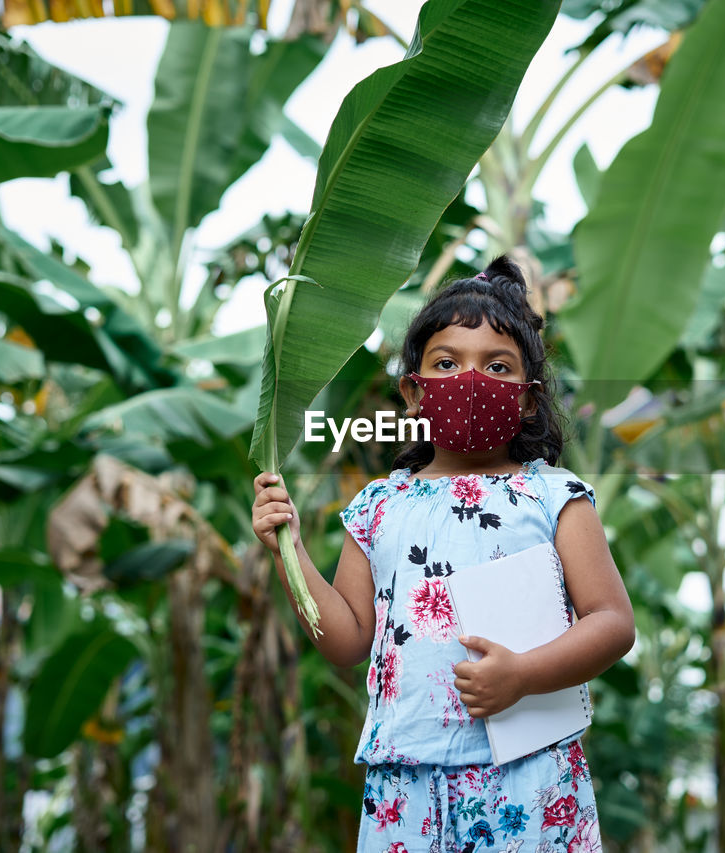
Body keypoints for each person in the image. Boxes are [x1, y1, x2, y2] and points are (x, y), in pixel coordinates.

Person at [252, 255, 635, 852]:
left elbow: (612, 623)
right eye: (447, 363)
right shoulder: (377, 505)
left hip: (529, 778)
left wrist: (524, 676)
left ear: (530, 400)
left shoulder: (554, 497)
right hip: (404, 780)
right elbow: (349, 642)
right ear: (413, 390)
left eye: (497, 366)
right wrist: (289, 549)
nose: (470, 379)